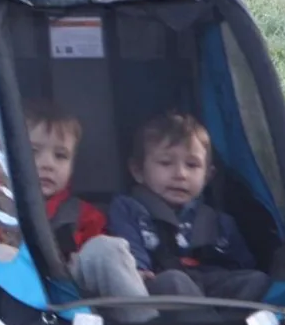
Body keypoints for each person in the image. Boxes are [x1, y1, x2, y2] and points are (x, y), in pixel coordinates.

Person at [0, 103, 153, 325]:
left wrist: (129, 270)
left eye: (60, 156)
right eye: (34, 152)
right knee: (4, 251)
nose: (47, 163)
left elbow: (102, 261)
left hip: (73, 289)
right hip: (17, 285)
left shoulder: (83, 214)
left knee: (106, 250)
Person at [108, 111, 270, 300]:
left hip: (210, 284)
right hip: (158, 285)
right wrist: (139, 270)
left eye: (192, 165)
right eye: (166, 163)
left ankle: (224, 322)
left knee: (258, 281)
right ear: (138, 171)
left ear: (207, 176)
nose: (181, 174)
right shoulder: (128, 209)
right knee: (174, 281)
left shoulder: (218, 221)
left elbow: (242, 264)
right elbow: (128, 251)